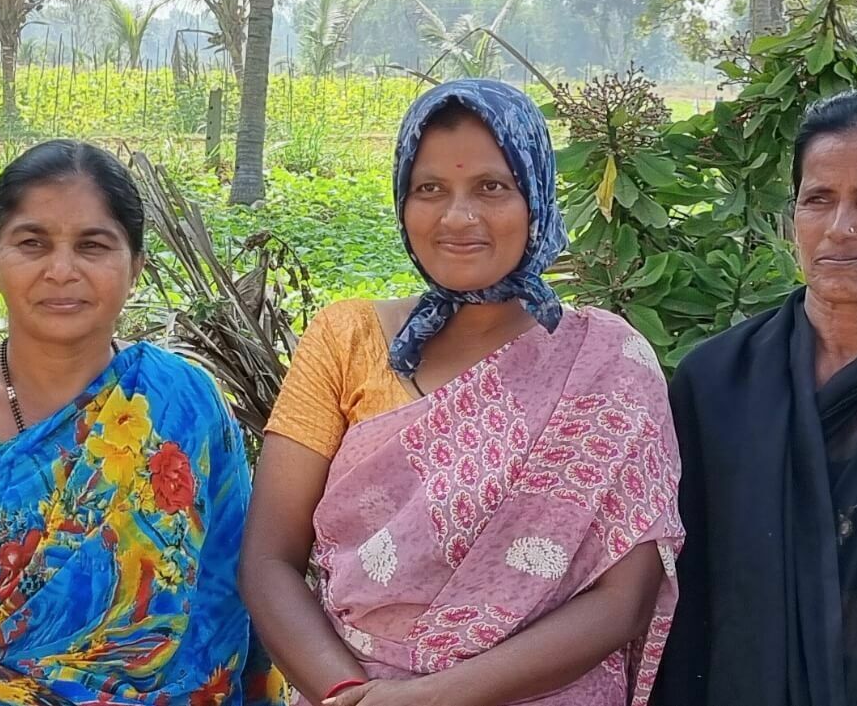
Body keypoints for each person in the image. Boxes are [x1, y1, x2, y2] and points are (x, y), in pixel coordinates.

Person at [240, 78, 682, 706]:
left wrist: (428, 700)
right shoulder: (346, 337)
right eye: (430, 190)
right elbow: (269, 560)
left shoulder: (607, 360)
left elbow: (623, 600)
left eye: (491, 188)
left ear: (536, 198)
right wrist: (348, 695)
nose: (457, 217)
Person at [0, 140, 281, 705]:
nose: (61, 271)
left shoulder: (185, 401)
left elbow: (236, 595)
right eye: (32, 243)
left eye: (92, 246)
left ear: (135, 268)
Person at [653, 90, 857, 706]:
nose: (841, 227)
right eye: (819, 200)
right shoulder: (714, 384)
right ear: (792, 221)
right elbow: (680, 590)